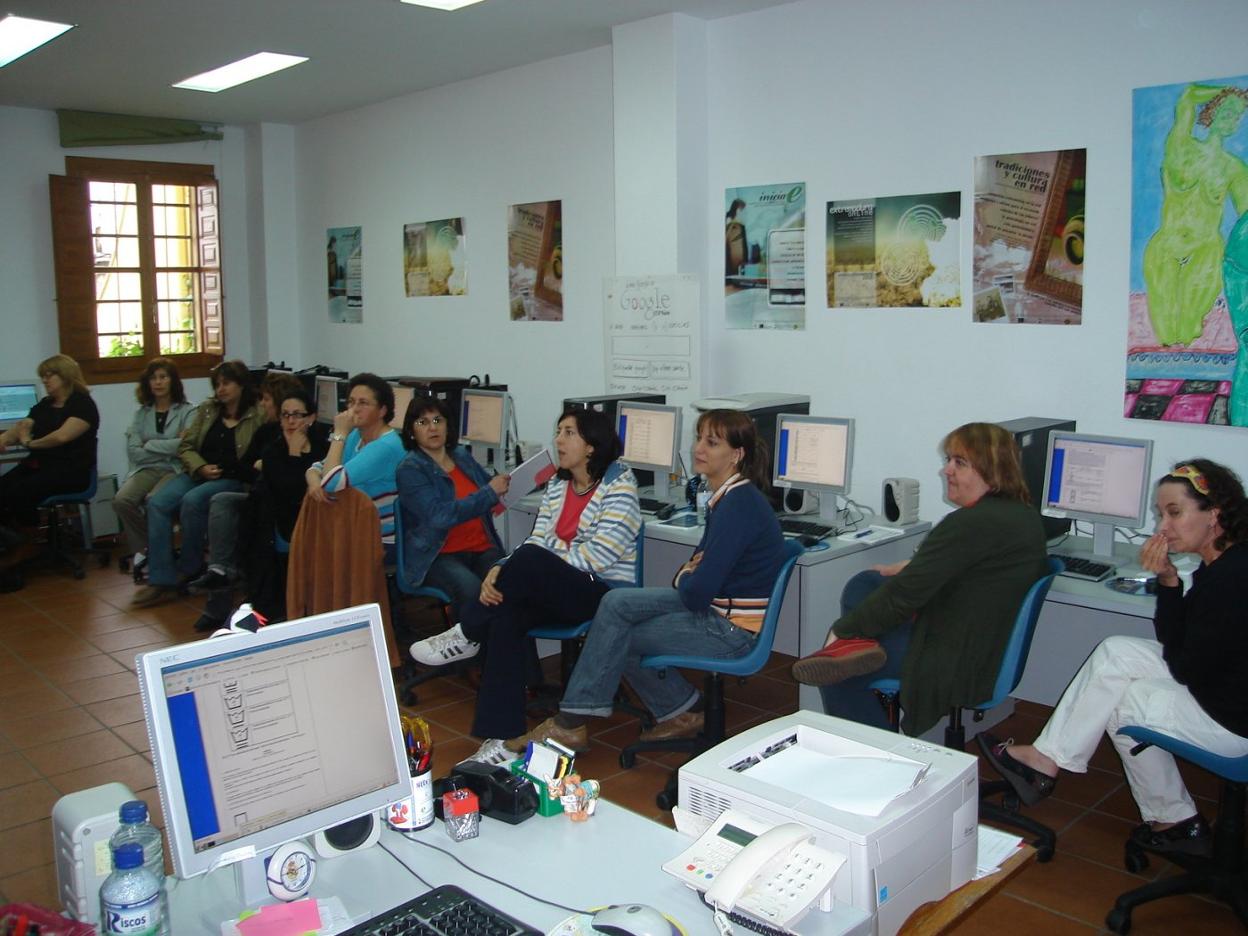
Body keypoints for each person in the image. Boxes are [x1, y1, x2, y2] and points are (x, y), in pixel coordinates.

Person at [980, 460, 1248, 856]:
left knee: (1121, 701)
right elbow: (1186, 645)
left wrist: (1170, 587)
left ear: (1215, 514)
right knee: (1116, 651)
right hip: (1224, 683)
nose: (1163, 527)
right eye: (1161, 514)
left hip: (1233, 721)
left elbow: (1185, 665)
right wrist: (1170, 581)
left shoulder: (1229, 581)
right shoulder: (1224, 563)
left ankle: (1174, 818)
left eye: (1175, 513)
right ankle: (1044, 760)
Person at [512, 408, 787, 753]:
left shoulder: (737, 505)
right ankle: (682, 710)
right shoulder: (728, 497)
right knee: (614, 603)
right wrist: (690, 574)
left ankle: (571, 722)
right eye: (699, 438)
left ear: (737, 454)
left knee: (615, 633)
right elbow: (694, 572)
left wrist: (689, 575)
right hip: (716, 607)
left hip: (728, 628)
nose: (698, 448)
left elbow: (696, 590)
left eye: (711, 442)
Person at [791, 422, 1046, 736]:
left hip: (957, 658)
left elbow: (905, 596)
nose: (946, 471)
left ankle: (878, 761)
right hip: (981, 638)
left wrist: (841, 630)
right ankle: (859, 649)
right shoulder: (1020, 514)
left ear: (992, 470)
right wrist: (917, 564)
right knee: (866, 583)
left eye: (960, 463)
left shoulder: (970, 523)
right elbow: (970, 568)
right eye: (948, 460)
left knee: (838, 674)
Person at [409, 408, 640, 748]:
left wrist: (534, 563)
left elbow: (597, 557)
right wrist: (502, 568)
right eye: (558, 431)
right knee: (506, 615)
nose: (558, 440)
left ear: (591, 445)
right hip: (556, 588)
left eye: (568, 433)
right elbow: (537, 537)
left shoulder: (620, 488)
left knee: (531, 560)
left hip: (600, 593)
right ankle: (501, 738)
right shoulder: (560, 485)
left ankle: (468, 630)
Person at [132, 360, 264, 608]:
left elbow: (255, 456)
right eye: (217, 385)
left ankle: (190, 568)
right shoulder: (207, 410)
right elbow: (186, 446)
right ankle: (162, 579)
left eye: (227, 383)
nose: (221, 389)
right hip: (198, 472)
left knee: (193, 501)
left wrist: (222, 470)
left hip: (232, 478)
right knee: (157, 503)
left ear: (242, 384)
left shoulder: (257, 414)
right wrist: (200, 466)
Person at [187, 372, 305, 630]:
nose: (262, 405)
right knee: (223, 501)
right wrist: (262, 467)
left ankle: (252, 602)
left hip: (283, 507)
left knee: (250, 518)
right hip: (259, 499)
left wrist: (268, 466)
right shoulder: (266, 432)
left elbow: (291, 481)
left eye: (266, 400)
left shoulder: (308, 437)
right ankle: (220, 573)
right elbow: (245, 468)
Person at [1142, 84, 1248, 347]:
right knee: (1165, 332)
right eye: (1228, 111)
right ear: (1212, 111)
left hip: (1206, 252)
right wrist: (1229, 91)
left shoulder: (1234, 167)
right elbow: (1188, 96)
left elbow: (1246, 214)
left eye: (1238, 115)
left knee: (1188, 329)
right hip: (1166, 246)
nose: (1233, 119)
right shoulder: (1181, 146)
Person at [396, 395, 509, 622]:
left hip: (482, 548)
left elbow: (488, 487)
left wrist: (513, 481)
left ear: (448, 426)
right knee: (473, 592)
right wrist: (489, 493)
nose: (432, 428)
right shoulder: (409, 469)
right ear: (411, 431)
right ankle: (472, 654)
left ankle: (509, 657)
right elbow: (440, 516)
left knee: (510, 587)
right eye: (423, 423)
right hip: (439, 555)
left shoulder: (460, 456)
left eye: (438, 421)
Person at [0, 355, 100, 578]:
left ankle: (28, 543)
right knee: (3, 488)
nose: (45, 380)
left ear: (65, 376)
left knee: (19, 492)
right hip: (42, 465)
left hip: (72, 471)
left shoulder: (82, 405)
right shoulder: (44, 405)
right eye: (43, 376)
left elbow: (60, 437)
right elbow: (22, 427)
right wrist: (5, 439)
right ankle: (12, 543)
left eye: (49, 375)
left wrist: (28, 442)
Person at [305, 373, 406, 557]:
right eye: (351, 402)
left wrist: (339, 433)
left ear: (382, 410)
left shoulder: (386, 446)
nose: (354, 409)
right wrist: (313, 482)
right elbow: (318, 467)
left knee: (317, 550)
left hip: (380, 539)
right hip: (354, 529)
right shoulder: (356, 436)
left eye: (363, 403)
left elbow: (331, 482)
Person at [112, 358, 195, 578]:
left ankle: (157, 556)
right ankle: (148, 548)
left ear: (173, 381)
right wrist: (167, 445)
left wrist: (149, 443)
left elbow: (184, 446)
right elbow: (133, 451)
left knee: (153, 501)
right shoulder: (142, 414)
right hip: (147, 468)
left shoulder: (187, 411)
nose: (157, 382)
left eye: (163, 377)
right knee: (122, 500)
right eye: (153, 378)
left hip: (174, 469)